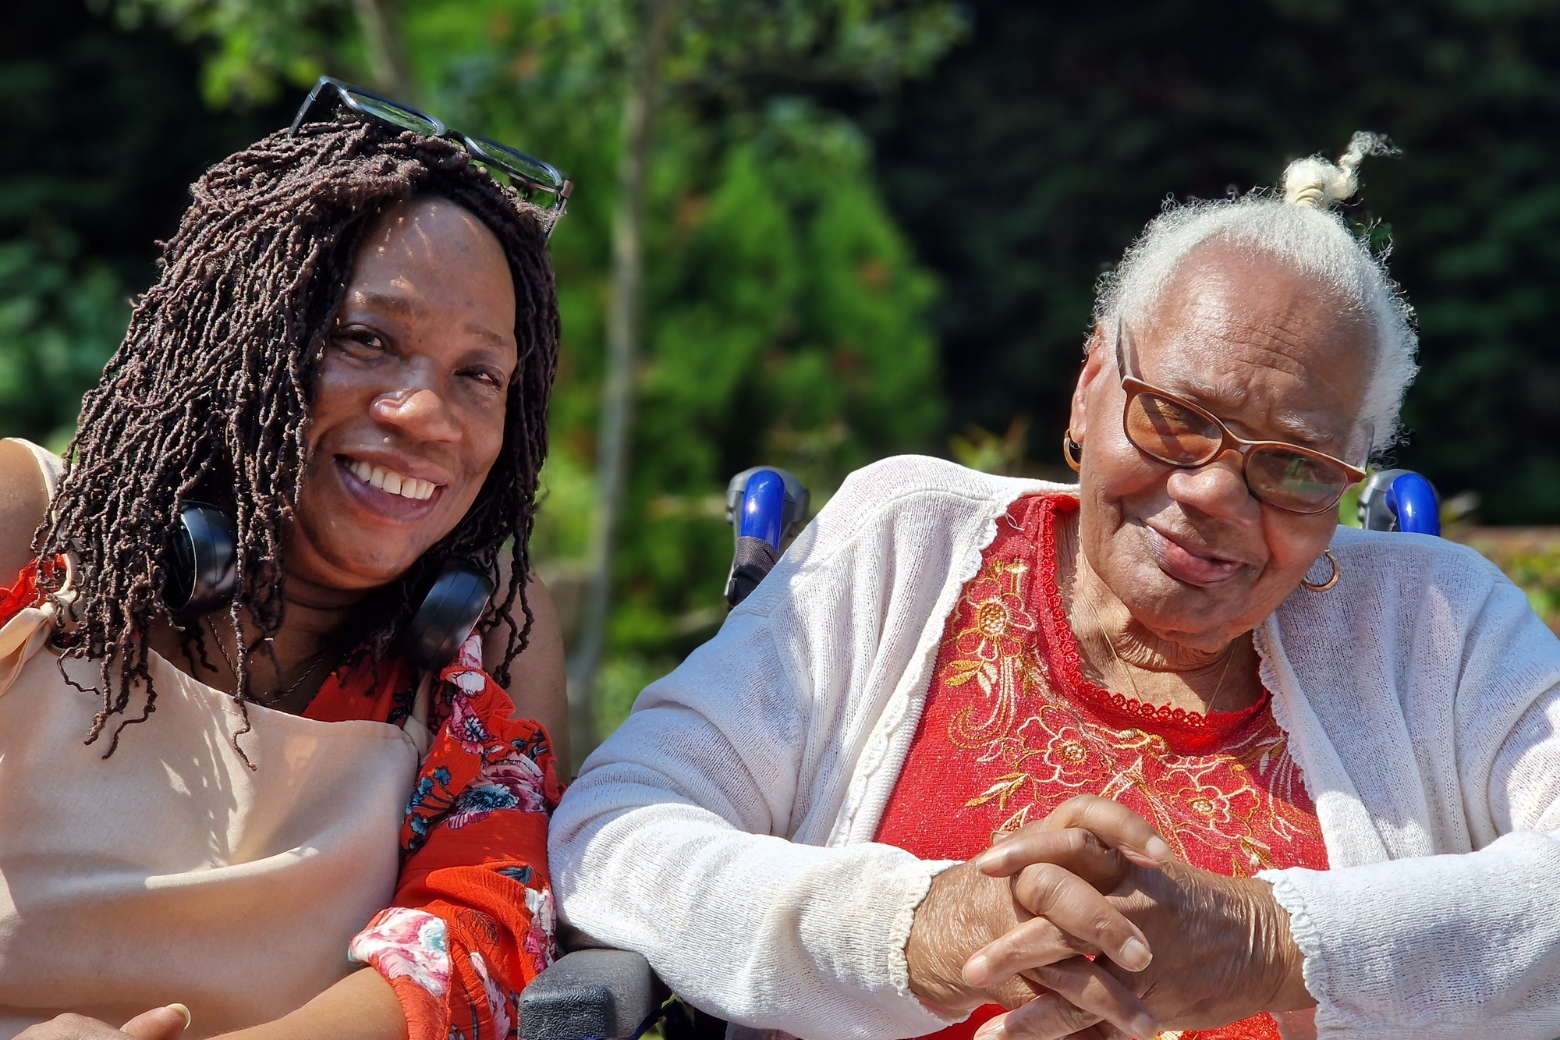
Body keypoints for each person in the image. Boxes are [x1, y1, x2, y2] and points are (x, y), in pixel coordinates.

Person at [549, 133, 1560, 1040]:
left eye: (1295, 464)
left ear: (1349, 475)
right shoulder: (907, 542)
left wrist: (1274, 941)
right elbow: (619, 825)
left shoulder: (1438, 623)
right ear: (1089, 389)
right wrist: (922, 929)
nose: (1211, 489)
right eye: (1172, 414)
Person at [0, 80, 571, 1040]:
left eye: (477, 374)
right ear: (240, 342)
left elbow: (479, 939)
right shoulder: (23, 520)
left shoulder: (492, 635)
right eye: (365, 339)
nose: (426, 416)